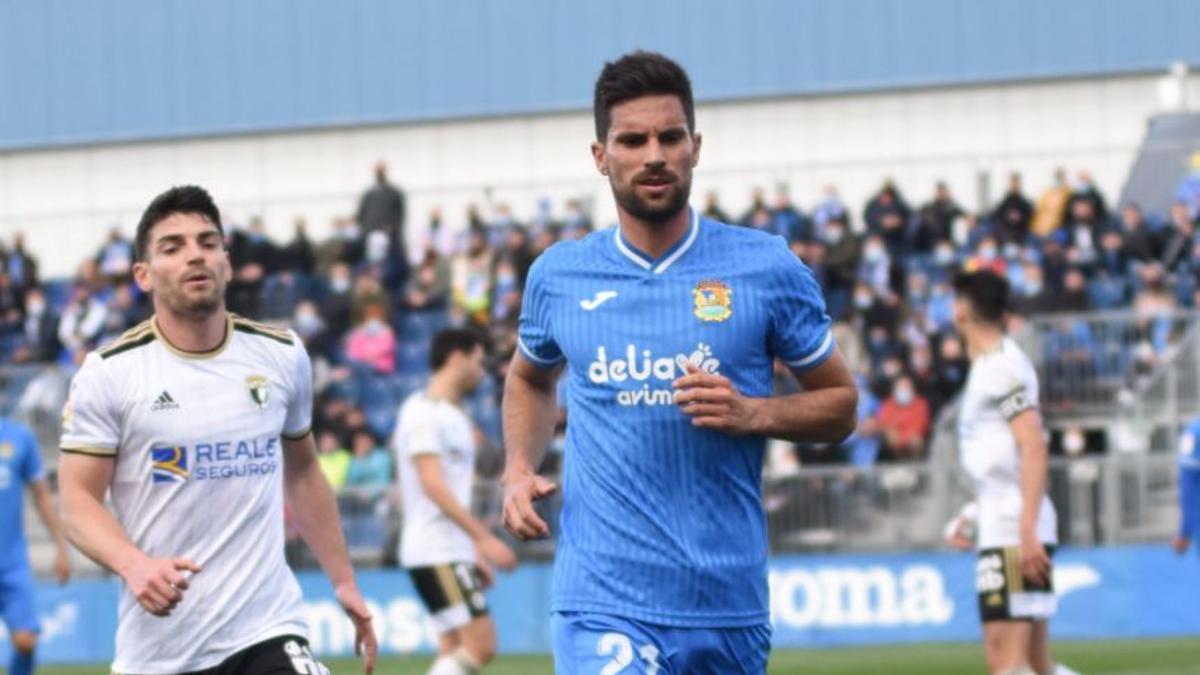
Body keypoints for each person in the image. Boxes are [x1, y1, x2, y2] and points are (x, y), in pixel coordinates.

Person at [500, 51, 857, 674]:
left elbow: (842, 404)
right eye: (632, 140)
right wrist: (516, 469)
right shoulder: (559, 276)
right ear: (600, 156)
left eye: (669, 137)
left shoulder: (765, 267)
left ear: (695, 146)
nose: (653, 154)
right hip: (602, 598)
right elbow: (530, 376)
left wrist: (754, 412)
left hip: (727, 605)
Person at [56, 185, 376, 675]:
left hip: (267, 629)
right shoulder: (110, 373)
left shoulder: (281, 355)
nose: (194, 256)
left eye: (207, 242)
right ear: (142, 275)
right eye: (173, 247)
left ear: (226, 260)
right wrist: (134, 565)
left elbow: (305, 472)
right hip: (160, 654)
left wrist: (344, 578)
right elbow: (77, 502)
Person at [949, 270, 1074, 675]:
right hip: (1006, 517)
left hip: (1014, 527)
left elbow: (1033, 444)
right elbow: (1005, 461)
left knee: (1006, 662)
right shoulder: (991, 366)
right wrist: (974, 513)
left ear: (962, 310)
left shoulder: (1002, 367)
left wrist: (1025, 528)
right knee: (1035, 664)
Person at [392, 328, 517, 675]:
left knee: (453, 647)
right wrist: (484, 539)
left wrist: (470, 550)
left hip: (450, 548)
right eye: (478, 362)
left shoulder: (456, 416)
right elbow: (432, 484)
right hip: (435, 548)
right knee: (481, 645)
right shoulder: (421, 412)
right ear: (456, 358)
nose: (482, 371)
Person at [0, 416, 70, 675]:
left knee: (26, 640)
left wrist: (60, 547)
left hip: (11, 563)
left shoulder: (19, 437)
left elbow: (41, 493)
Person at [1174, 413, 1200, 555]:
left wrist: (1185, 531)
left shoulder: (1194, 430)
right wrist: (1185, 530)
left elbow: (1187, 486)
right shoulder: (1195, 431)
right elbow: (1188, 485)